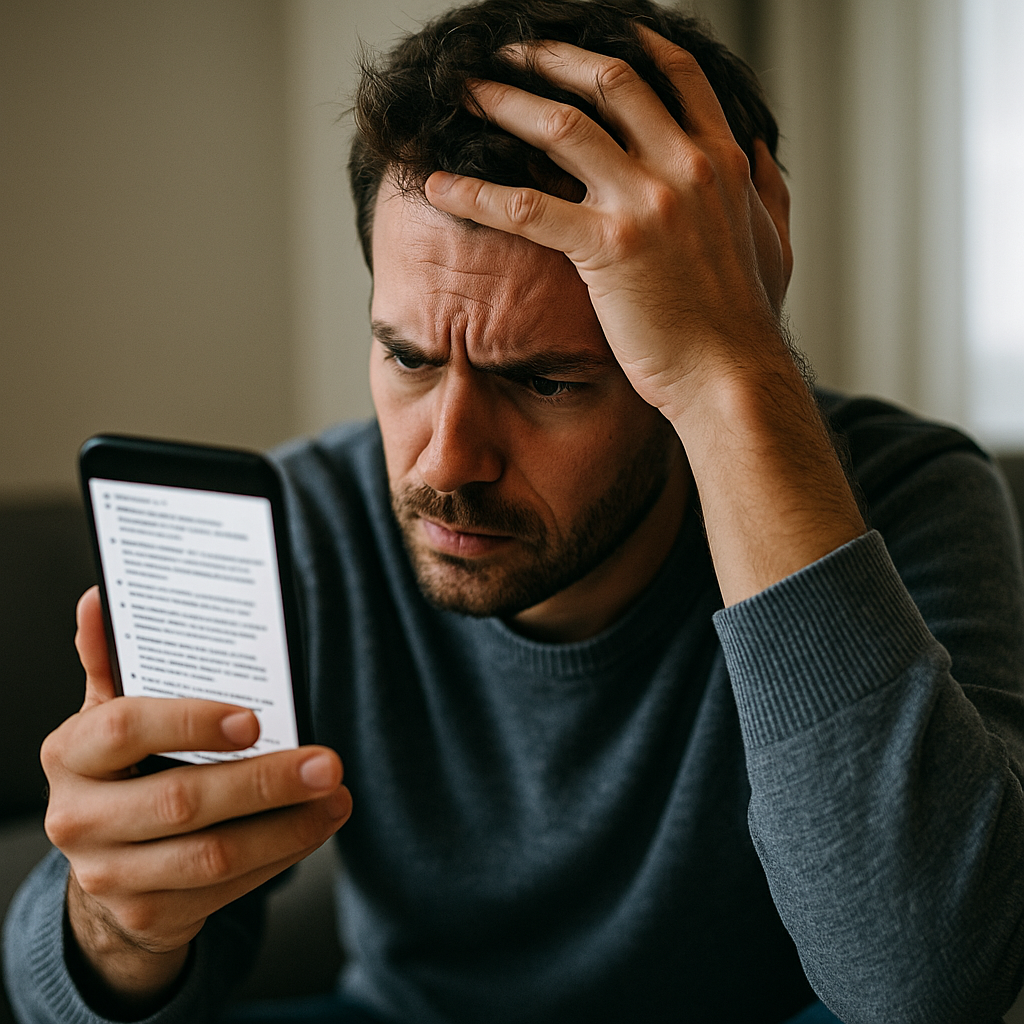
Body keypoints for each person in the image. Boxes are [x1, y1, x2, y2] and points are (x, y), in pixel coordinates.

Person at [4, 0, 1024, 1021]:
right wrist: (117, 924)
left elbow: (923, 987)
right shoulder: (304, 528)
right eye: (407, 357)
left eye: (544, 382)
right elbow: (90, 984)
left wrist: (738, 374)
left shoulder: (899, 495)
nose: (446, 460)